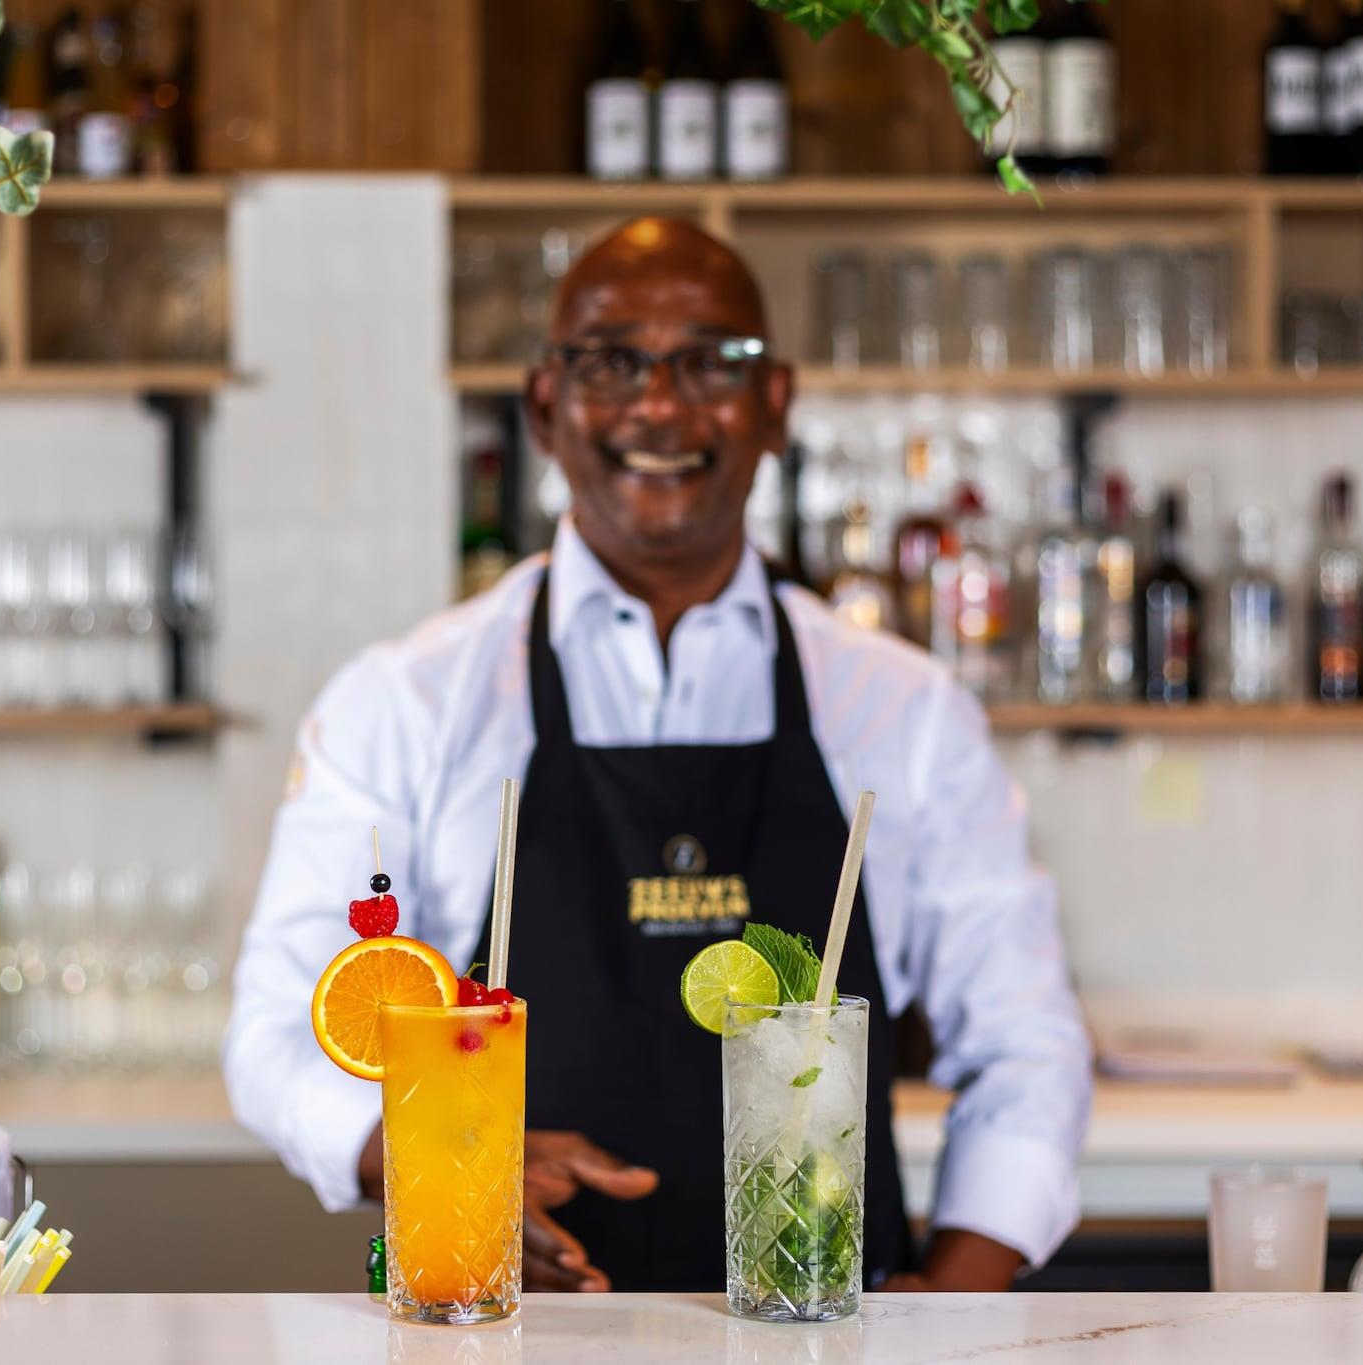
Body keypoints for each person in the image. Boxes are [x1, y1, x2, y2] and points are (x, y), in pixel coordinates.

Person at [225, 217, 1091, 1294]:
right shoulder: (405, 703)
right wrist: (439, 1162)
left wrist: (952, 1307)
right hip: (502, 1341)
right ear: (545, 405)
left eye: (709, 362)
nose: (660, 405)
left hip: (828, 1346)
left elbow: (1026, 1045)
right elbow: (279, 1028)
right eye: (610, 362)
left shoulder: (908, 714)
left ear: (774, 403)